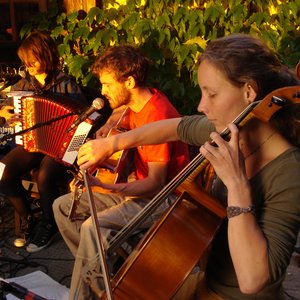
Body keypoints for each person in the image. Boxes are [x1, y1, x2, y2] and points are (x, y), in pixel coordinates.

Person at [75, 34, 300, 299]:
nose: (201, 105)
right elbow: (175, 127)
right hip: (206, 280)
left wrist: (237, 185)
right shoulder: (231, 129)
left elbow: (253, 280)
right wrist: (113, 143)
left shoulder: (289, 171)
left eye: (212, 94)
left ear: (249, 92)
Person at [52, 45, 190, 299]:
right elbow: (123, 114)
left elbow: (155, 184)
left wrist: (103, 187)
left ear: (129, 81)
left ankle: (87, 292)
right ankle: (105, 279)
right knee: (62, 208)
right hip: (137, 188)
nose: (102, 92)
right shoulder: (135, 102)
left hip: (164, 198)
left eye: (107, 85)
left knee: (93, 228)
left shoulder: (158, 115)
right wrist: (108, 127)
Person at [0, 30, 88, 253]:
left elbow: (85, 122)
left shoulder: (67, 85)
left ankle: (49, 224)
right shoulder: (23, 86)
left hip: (62, 146)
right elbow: (9, 110)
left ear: (46, 55)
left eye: (33, 58)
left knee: (45, 175)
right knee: (1, 170)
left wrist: (73, 140)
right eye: (25, 60)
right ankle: (28, 217)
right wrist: (6, 112)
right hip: (32, 142)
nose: (27, 64)